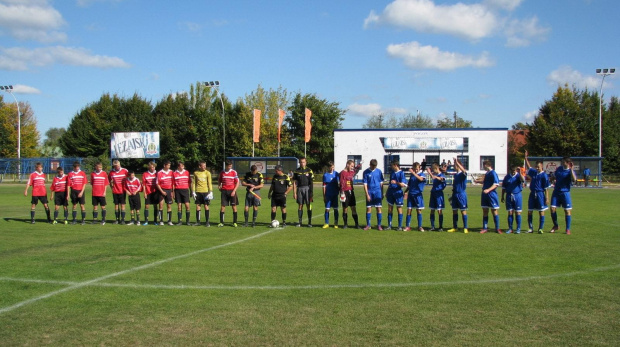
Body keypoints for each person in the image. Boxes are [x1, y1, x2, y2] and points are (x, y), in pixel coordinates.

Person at [525, 151, 550, 234]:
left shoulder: (544, 175)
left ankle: (540, 228)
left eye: (538, 166)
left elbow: (546, 188)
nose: (537, 168)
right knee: (530, 210)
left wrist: (547, 197)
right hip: (532, 194)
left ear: (542, 166)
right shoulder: (534, 172)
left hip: (540, 194)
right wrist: (526, 158)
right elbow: (529, 167)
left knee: (541, 211)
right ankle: (530, 228)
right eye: (536, 166)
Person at [550, 157, 577, 235]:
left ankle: (567, 229)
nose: (562, 163)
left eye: (563, 162)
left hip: (565, 193)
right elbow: (554, 176)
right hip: (556, 192)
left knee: (567, 210)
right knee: (552, 209)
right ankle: (555, 225)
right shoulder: (559, 169)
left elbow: (574, 179)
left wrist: (571, 169)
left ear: (568, 163)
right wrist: (551, 179)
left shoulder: (569, 171)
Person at [475, 160, 502, 234]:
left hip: (491, 194)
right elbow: (485, 182)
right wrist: (478, 182)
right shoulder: (487, 173)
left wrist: (488, 190)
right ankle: (485, 228)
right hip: (485, 194)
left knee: (494, 210)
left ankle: (497, 228)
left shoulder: (493, 173)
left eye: (483, 165)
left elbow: (496, 184)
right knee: (485, 210)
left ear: (486, 165)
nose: (483, 167)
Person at [447, 157, 469, 233]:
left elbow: (464, 171)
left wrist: (457, 162)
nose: (454, 166)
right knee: (454, 211)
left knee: (463, 211)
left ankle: (465, 227)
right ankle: (455, 227)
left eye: (455, 165)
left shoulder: (462, 174)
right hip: (455, 194)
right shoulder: (455, 175)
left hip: (461, 195)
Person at [501, 166, 525, 234]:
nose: (513, 172)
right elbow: (503, 187)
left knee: (518, 212)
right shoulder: (507, 177)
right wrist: (502, 196)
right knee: (510, 212)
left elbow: (523, 180)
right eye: (512, 171)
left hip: (517, 195)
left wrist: (520, 173)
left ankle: (518, 228)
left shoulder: (518, 176)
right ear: (510, 170)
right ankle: (510, 228)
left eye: (514, 171)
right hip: (509, 195)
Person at [339, 159, 362, 229]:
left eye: (353, 166)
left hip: (351, 192)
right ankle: (345, 224)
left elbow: (356, 170)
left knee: (353, 208)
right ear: (347, 165)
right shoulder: (342, 173)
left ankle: (356, 224)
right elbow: (341, 183)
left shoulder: (351, 172)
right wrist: (342, 193)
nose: (352, 167)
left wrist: (359, 164)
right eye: (351, 166)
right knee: (345, 209)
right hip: (345, 192)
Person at [363, 159, 384, 230]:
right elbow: (365, 184)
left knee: (378, 208)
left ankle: (379, 225)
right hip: (370, 192)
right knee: (369, 208)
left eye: (375, 166)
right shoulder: (365, 172)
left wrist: (382, 193)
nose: (374, 167)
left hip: (378, 192)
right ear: (370, 165)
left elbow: (381, 183)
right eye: (373, 166)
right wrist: (367, 194)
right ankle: (368, 225)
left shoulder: (379, 172)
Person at [293, 157, 314, 227]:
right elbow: (295, 183)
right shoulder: (296, 171)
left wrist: (311, 193)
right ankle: (300, 222)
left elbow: (311, 182)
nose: (302, 163)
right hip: (300, 189)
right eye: (301, 162)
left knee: (308, 205)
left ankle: (309, 222)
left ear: (306, 162)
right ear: (299, 163)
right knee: (300, 205)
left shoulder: (309, 170)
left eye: (303, 162)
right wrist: (294, 193)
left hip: (307, 189)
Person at [385, 160, 406, 231]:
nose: (391, 167)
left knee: (399, 209)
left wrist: (396, 182)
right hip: (391, 192)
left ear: (395, 165)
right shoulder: (392, 173)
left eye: (392, 165)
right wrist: (387, 192)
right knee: (390, 209)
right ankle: (389, 225)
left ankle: (399, 226)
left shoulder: (401, 173)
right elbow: (390, 183)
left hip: (398, 193)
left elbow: (403, 185)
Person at [218, 160, 240, 227]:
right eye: (229, 166)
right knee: (222, 207)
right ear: (226, 166)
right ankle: (222, 222)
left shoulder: (234, 172)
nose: (230, 167)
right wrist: (219, 186)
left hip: (232, 191)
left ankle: (235, 222)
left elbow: (237, 182)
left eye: (231, 166)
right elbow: (219, 181)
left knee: (234, 207)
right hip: (224, 191)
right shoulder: (222, 172)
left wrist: (234, 191)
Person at [405, 162, 425, 231]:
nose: (416, 170)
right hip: (411, 194)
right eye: (414, 169)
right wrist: (405, 191)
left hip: (418, 195)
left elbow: (420, 179)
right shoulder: (412, 176)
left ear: (419, 168)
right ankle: (407, 226)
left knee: (418, 210)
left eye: (417, 169)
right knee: (409, 210)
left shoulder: (421, 174)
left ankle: (420, 226)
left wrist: (414, 173)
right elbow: (409, 185)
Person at [191, 160, 213, 227]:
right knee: (198, 206)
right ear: (199, 166)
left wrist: (211, 191)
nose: (204, 167)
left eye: (205, 165)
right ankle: (198, 221)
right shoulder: (196, 173)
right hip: (198, 192)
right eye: (203, 166)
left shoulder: (208, 173)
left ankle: (207, 222)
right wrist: (193, 192)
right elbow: (194, 183)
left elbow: (209, 183)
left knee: (206, 206)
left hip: (205, 192)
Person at [427, 163, 447, 231]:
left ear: (436, 168)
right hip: (433, 193)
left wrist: (435, 176)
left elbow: (442, 179)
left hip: (439, 194)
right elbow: (433, 176)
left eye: (433, 170)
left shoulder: (441, 175)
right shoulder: (435, 175)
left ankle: (440, 227)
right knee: (432, 209)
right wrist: (430, 173)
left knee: (439, 210)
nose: (433, 171)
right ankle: (432, 226)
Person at [109, 160, 128, 224]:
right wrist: (112, 187)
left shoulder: (125, 171)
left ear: (119, 165)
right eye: (114, 166)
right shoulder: (111, 172)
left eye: (117, 166)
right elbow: (109, 180)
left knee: (122, 205)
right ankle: (117, 219)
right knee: (116, 205)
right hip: (115, 191)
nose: (116, 167)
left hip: (122, 191)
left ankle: (123, 220)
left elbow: (129, 179)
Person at [156, 160, 174, 226]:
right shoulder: (159, 173)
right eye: (168, 165)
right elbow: (157, 184)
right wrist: (162, 191)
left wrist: (172, 191)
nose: (169, 166)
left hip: (169, 190)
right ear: (164, 165)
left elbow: (173, 183)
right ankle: (161, 221)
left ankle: (169, 221)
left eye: (170, 165)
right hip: (162, 190)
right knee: (161, 205)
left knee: (169, 205)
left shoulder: (171, 172)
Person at [322, 161, 340, 228]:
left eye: (333, 167)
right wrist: (324, 196)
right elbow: (324, 186)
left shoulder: (336, 174)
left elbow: (340, 183)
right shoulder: (325, 175)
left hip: (335, 194)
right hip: (328, 195)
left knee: (335, 209)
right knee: (327, 209)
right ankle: (326, 223)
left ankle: (336, 223)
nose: (332, 168)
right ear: (328, 167)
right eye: (331, 167)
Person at [173, 161, 191, 225]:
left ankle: (187, 221)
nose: (183, 166)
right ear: (178, 166)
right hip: (177, 191)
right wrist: (173, 193)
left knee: (187, 205)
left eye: (183, 165)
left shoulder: (187, 172)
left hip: (185, 190)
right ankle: (179, 221)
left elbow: (189, 182)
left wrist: (191, 191)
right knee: (179, 206)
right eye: (181, 165)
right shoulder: (174, 173)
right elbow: (173, 184)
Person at [142, 161, 159, 226]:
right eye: (151, 167)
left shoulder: (157, 173)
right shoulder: (145, 174)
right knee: (147, 206)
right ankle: (146, 221)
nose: (152, 168)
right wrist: (144, 193)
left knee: (155, 206)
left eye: (153, 167)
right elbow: (144, 184)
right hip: (148, 192)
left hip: (155, 192)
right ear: (149, 167)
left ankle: (155, 220)